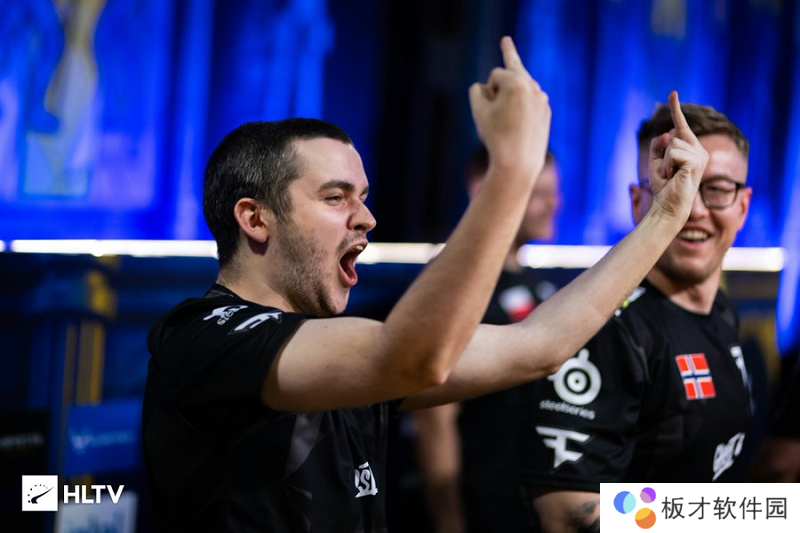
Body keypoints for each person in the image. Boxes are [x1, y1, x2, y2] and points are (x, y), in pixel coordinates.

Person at [142, 36, 708, 532]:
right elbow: (414, 359)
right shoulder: (201, 338)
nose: (366, 218)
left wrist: (665, 217)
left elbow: (540, 346)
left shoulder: (344, 350)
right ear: (254, 218)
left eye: (364, 198)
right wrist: (512, 168)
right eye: (336, 197)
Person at [518, 101, 753, 532]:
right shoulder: (604, 329)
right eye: (674, 183)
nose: (694, 209)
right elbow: (567, 514)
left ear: (743, 205)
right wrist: (753, 515)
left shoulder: (722, 311)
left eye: (717, 188)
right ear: (637, 200)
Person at [414, 145, 561, 533]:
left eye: (553, 192)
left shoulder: (538, 284)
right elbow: (435, 418)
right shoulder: (452, 282)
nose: (554, 204)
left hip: (528, 504)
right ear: (482, 189)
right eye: (539, 193)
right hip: (482, 503)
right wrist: (449, 521)